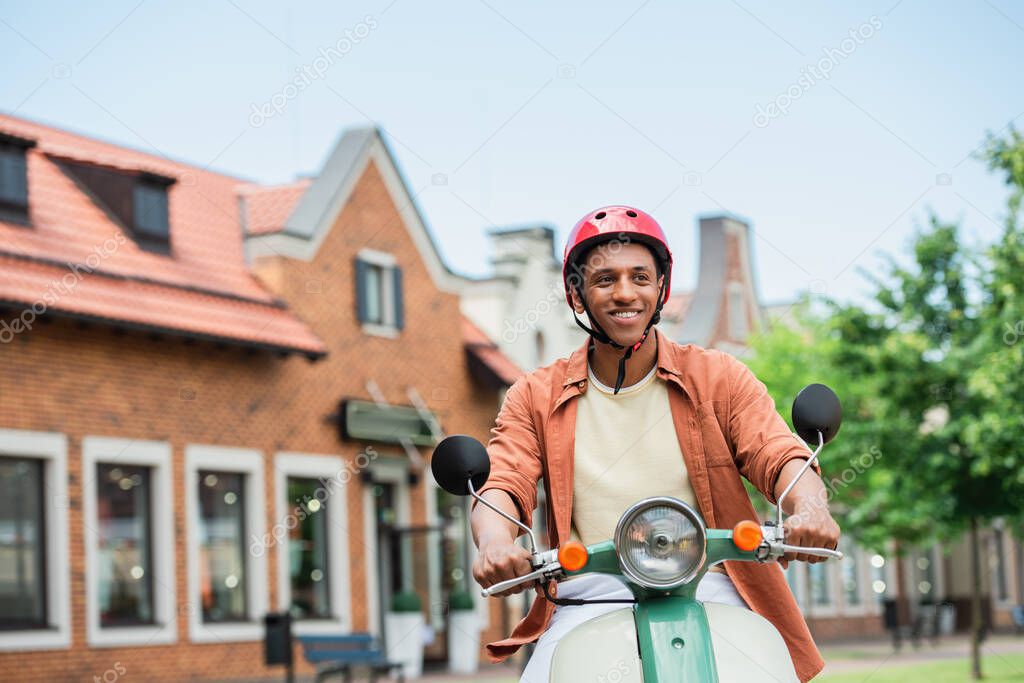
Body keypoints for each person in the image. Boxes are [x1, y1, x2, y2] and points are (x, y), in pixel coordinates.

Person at [470, 205, 841, 682]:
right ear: (575, 294)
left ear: (662, 288)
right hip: (592, 589)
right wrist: (496, 541)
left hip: (710, 581)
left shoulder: (718, 376)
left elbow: (775, 450)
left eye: (640, 277)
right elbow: (504, 478)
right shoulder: (534, 394)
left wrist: (809, 507)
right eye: (604, 279)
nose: (625, 292)